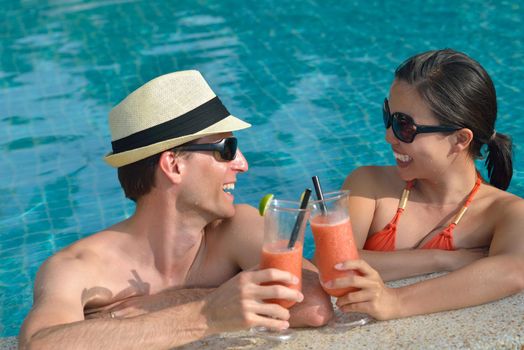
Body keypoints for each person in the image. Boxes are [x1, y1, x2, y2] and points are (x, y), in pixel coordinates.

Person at [19, 70, 332, 349]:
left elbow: (315, 304)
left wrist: (168, 305)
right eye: (227, 150)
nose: (243, 165)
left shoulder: (237, 228)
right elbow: (41, 344)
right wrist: (207, 313)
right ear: (174, 165)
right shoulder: (77, 267)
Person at [329, 49, 524, 320]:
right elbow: (334, 264)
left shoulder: (505, 212)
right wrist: (444, 259)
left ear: (460, 139)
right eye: (389, 116)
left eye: (404, 126)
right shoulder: (368, 185)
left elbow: (514, 270)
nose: (388, 136)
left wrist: (396, 301)